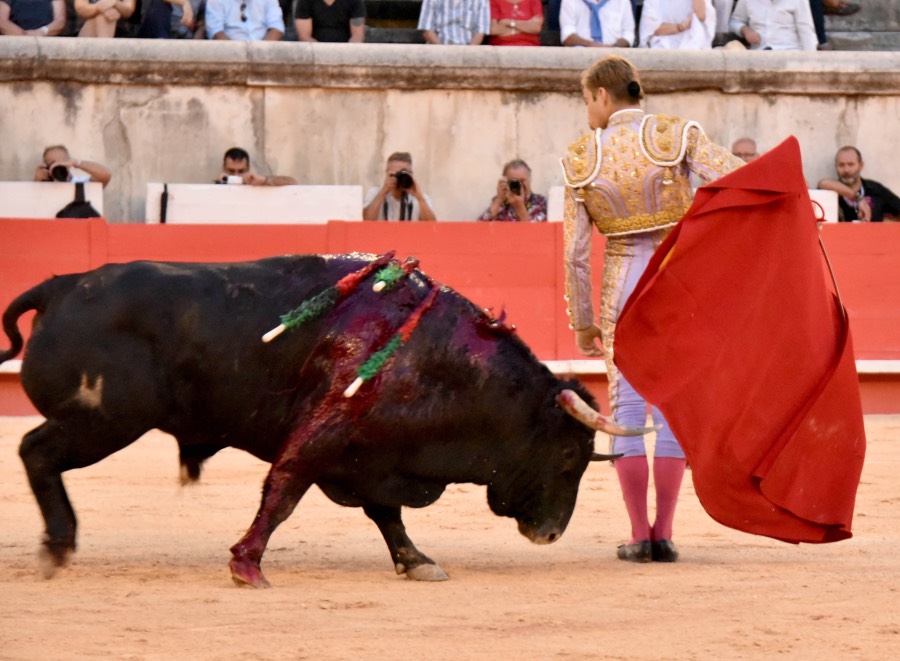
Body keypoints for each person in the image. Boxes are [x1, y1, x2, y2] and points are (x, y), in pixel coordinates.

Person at [560, 55, 743, 563]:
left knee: (627, 405)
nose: (588, 112)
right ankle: (664, 534)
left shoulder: (581, 157)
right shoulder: (676, 135)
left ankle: (639, 534)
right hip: (675, 279)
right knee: (669, 404)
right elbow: (739, 179)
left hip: (622, 287)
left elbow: (575, 253)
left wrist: (582, 322)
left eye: (587, 100)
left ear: (601, 95)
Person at [817, 146, 900, 222]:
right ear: (836, 167)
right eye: (841, 165)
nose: (846, 170)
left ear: (861, 165)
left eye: (851, 164)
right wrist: (857, 198)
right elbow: (823, 183)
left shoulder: (874, 189)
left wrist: (887, 223)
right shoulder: (831, 191)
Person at [363, 152, 437, 221]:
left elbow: (432, 226)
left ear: (411, 174)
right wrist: (383, 192)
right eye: (393, 175)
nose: (398, 179)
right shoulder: (375, 193)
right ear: (386, 173)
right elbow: (365, 221)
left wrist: (420, 197)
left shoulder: (420, 198)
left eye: (402, 175)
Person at [729, 0, 816, 51]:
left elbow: (806, 30)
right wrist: (745, 30)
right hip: (759, 53)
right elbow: (735, 21)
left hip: (790, 52)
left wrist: (811, 61)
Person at [479, 159, 547, 222]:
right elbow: (480, 227)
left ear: (530, 179)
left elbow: (536, 230)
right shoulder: (501, 203)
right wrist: (498, 200)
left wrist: (519, 207)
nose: (520, 185)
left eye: (522, 180)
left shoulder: (540, 202)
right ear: (506, 182)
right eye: (515, 182)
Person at [638, 0, 716, 49]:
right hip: (663, 43)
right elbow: (652, 28)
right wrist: (680, 27)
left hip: (694, 42)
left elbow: (701, 16)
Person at [559, 0, 634, 48]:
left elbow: (628, 34)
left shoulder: (622, 1)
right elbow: (567, 36)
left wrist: (613, 48)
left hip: (613, 56)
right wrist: (593, 46)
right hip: (580, 55)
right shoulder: (570, 1)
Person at [34, 144, 112, 188]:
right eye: (52, 163)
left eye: (62, 162)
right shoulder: (43, 186)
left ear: (68, 163)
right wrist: (37, 182)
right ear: (46, 166)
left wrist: (77, 163)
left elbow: (106, 175)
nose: (58, 166)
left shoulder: (81, 184)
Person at [418, 0, 490, 45]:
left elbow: (480, 31)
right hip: (437, 50)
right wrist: (442, 52)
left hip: (468, 51)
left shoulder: (481, 1)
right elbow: (427, 29)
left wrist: (468, 54)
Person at [205, 0, 284, 40]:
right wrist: (238, 55)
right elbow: (216, 33)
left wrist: (261, 52)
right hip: (230, 56)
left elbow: (276, 27)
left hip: (264, 55)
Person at [217, 147, 297, 186]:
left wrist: (265, 181)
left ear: (248, 168)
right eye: (231, 171)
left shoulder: (254, 183)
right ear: (224, 168)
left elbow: (292, 182)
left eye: (241, 171)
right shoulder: (217, 186)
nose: (236, 175)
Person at [294, 0, 365, 43]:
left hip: (346, 50)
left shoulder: (355, 2)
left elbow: (357, 36)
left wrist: (346, 53)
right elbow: (304, 37)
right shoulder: (305, 2)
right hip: (314, 52)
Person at [0, 0, 65, 35]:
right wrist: (24, 35)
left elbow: (60, 21)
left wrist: (42, 32)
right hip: (15, 42)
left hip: (47, 42)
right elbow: (2, 22)